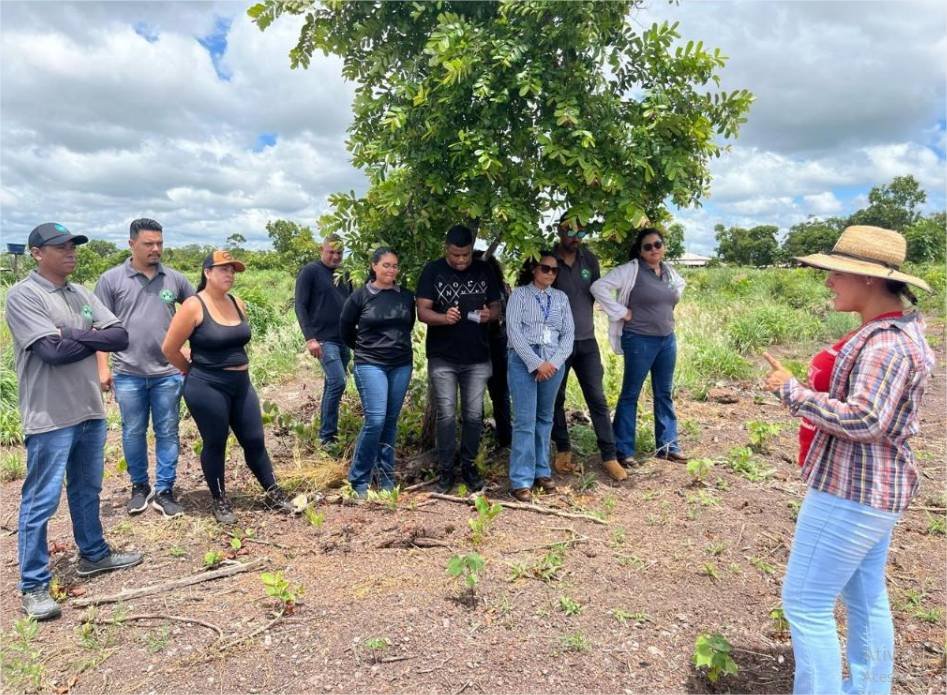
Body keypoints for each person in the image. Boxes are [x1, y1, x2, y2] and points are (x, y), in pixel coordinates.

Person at [763, 225, 934, 695]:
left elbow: (865, 419)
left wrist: (792, 392)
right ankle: (867, 687)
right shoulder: (895, 333)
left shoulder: (885, 343)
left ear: (871, 280)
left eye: (838, 272)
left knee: (805, 604)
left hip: (852, 491)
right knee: (865, 595)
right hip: (875, 490)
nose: (830, 281)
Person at [6, 223, 143, 620]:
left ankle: (94, 554)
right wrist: (82, 337)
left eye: (72, 245)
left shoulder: (81, 293)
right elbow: (50, 351)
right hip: (50, 415)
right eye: (60, 246)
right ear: (36, 252)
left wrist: (70, 333)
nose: (71, 251)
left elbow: (120, 337)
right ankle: (33, 585)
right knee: (40, 500)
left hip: (89, 409)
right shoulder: (24, 295)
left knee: (87, 489)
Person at [161, 250, 296, 524]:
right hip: (207, 385)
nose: (229, 274)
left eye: (232, 270)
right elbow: (170, 349)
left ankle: (272, 491)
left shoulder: (237, 303)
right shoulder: (193, 306)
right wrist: (192, 371)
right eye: (223, 269)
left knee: (255, 439)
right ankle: (219, 498)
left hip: (241, 383)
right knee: (216, 442)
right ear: (207, 272)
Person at [94, 218, 195, 518]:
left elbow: (200, 312)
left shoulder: (174, 280)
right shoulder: (111, 280)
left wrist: (189, 348)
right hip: (128, 372)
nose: (155, 249)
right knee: (133, 432)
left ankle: (164, 490)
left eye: (159, 243)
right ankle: (139, 487)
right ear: (131, 244)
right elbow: (98, 328)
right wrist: (102, 367)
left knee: (168, 431)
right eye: (148, 244)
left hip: (167, 373)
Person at [590, 227, 687, 465]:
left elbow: (677, 292)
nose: (654, 249)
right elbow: (598, 287)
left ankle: (668, 445)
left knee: (664, 393)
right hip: (640, 339)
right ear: (641, 251)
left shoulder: (669, 272)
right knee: (630, 394)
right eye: (648, 246)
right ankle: (623, 450)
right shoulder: (630, 270)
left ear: (663, 247)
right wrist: (621, 312)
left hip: (667, 339)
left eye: (658, 244)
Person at [416, 225, 501, 492]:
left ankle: (469, 466)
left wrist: (491, 315)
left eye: (465, 255)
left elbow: (497, 305)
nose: (461, 260)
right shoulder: (433, 270)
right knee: (447, 416)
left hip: (477, 357)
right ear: (446, 249)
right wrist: (444, 318)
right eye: (455, 255)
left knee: (474, 416)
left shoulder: (484, 270)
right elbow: (422, 312)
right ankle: (445, 470)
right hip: (443, 357)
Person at [551, 217, 626, 481]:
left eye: (580, 231)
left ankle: (609, 456)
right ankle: (562, 450)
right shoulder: (547, 260)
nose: (575, 236)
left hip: (586, 341)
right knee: (555, 400)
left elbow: (598, 294)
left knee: (597, 399)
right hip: (556, 344)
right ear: (559, 230)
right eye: (570, 230)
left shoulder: (589, 260)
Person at [339, 247, 416, 497]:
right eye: (386, 265)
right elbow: (346, 328)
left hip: (401, 364)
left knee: (390, 422)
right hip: (370, 363)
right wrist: (365, 349)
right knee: (375, 420)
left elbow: (408, 325)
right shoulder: (360, 296)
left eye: (395, 266)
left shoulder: (406, 296)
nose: (391, 270)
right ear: (374, 266)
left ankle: (385, 478)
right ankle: (358, 480)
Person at [506, 252, 574, 501]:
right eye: (545, 268)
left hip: (553, 361)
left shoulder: (561, 298)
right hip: (524, 360)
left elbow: (568, 335)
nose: (550, 274)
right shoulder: (519, 295)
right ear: (534, 269)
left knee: (545, 418)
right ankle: (520, 480)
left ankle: (541, 471)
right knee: (525, 420)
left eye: (555, 270)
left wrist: (553, 363)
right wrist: (535, 363)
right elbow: (513, 332)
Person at [294, 234, 353, 445]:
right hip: (323, 340)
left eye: (339, 252)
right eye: (331, 252)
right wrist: (310, 338)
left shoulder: (346, 274)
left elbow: (353, 303)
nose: (335, 256)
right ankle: (327, 436)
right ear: (322, 250)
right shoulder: (310, 271)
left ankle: (328, 433)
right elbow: (300, 305)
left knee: (332, 385)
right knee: (338, 382)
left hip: (344, 340)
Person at [474, 250, 512, 449]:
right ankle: (504, 439)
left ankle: (484, 439)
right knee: (498, 394)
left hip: (491, 344)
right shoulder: (503, 287)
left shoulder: (498, 289)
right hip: (496, 344)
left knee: (489, 394)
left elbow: (503, 317)